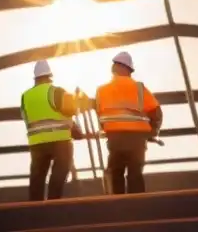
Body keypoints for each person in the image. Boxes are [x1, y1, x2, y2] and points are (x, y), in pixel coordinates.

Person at [94, 51, 163, 195]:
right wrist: (153, 131)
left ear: (114, 69)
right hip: (136, 139)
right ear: (128, 69)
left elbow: (100, 116)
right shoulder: (138, 88)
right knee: (135, 174)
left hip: (115, 139)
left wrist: (109, 129)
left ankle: (117, 208)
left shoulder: (101, 91)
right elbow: (156, 112)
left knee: (115, 173)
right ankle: (137, 207)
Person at [20, 60, 82, 202]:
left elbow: (25, 118)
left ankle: (35, 209)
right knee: (60, 170)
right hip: (59, 141)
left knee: (37, 177)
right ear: (49, 76)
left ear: (35, 78)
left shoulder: (25, 97)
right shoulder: (56, 91)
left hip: (36, 143)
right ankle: (53, 202)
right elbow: (71, 110)